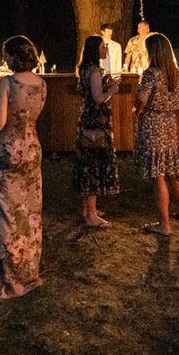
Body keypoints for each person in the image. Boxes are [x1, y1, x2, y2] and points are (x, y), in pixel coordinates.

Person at [0, 35, 47, 299]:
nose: (5, 59)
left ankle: (10, 279)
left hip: (9, 150)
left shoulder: (7, 84)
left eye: (7, 54)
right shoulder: (42, 84)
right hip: (32, 148)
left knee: (8, 214)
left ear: (14, 56)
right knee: (31, 213)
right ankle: (29, 271)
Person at [134, 32, 179, 236]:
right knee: (173, 171)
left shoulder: (151, 73)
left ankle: (164, 224)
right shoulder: (175, 73)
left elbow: (142, 98)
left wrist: (137, 107)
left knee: (158, 175)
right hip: (169, 125)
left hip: (153, 125)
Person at [73, 35, 120, 228]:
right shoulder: (93, 71)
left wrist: (105, 83)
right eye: (102, 47)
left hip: (86, 120)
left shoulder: (85, 70)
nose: (105, 50)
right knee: (94, 165)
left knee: (87, 164)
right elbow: (98, 98)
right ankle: (91, 214)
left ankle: (87, 208)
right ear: (95, 50)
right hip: (95, 123)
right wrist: (112, 90)